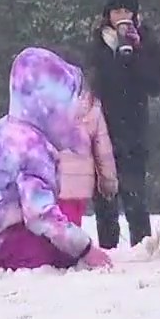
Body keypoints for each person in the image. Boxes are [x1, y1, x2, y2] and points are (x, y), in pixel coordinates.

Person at [0, 47, 113, 272]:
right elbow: (40, 214)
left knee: (50, 243)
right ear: (49, 108)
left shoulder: (3, 130)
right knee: (56, 252)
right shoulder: (32, 148)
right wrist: (84, 248)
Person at [85, 0, 160, 248]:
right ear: (107, 14)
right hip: (103, 130)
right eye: (116, 11)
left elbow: (156, 84)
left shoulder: (147, 40)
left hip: (135, 128)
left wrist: (136, 53)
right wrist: (114, 57)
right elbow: (93, 84)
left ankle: (142, 246)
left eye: (127, 11)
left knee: (135, 194)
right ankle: (108, 248)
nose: (122, 17)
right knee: (105, 196)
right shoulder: (97, 43)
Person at [55, 82, 119, 227]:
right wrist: (108, 179)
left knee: (53, 228)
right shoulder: (91, 106)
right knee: (72, 227)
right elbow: (103, 148)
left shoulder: (45, 104)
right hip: (80, 185)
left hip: (53, 181)